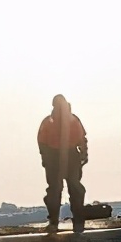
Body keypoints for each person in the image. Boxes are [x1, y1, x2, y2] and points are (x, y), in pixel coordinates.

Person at [37, 94, 88, 233]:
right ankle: (77, 222)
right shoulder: (71, 120)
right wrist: (84, 155)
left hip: (57, 157)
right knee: (72, 188)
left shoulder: (49, 121)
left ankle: (55, 222)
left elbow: (41, 142)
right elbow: (82, 140)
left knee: (56, 189)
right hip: (65, 157)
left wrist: (45, 158)